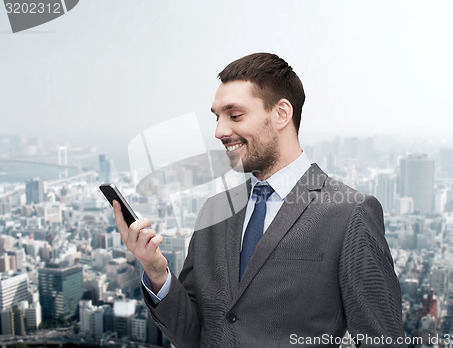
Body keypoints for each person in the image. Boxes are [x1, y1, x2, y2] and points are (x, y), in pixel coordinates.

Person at [113, 53, 404, 347]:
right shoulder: (216, 209)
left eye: (235, 115)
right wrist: (156, 270)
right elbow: (194, 334)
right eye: (217, 117)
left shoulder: (349, 212)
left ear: (281, 114)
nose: (219, 131)